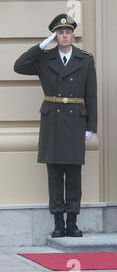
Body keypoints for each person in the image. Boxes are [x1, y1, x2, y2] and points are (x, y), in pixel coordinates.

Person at [14, 14, 97, 238]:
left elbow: (91, 94)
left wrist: (91, 126)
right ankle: (58, 223)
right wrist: (42, 46)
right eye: (60, 33)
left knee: (73, 176)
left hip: (75, 122)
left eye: (68, 32)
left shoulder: (85, 59)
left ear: (73, 35)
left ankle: (72, 222)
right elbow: (19, 66)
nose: (65, 36)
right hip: (53, 121)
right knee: (54, 175)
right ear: (55, 36)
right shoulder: (44, 58)